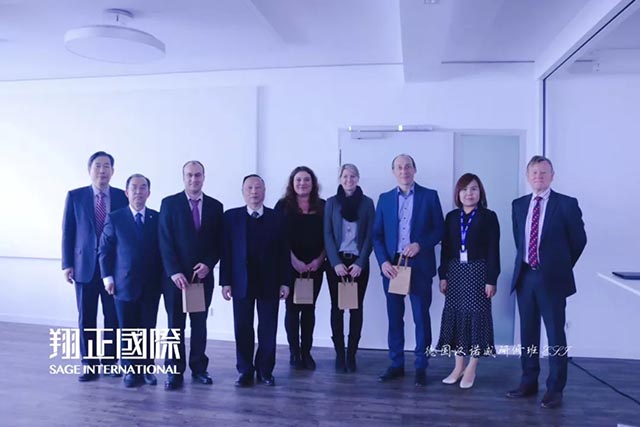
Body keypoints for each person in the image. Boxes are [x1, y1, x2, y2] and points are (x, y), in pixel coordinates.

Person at [506, 155, 586, 409]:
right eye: (534, 173)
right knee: (528, 333)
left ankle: (555, 388)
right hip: (525, 277)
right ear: (528, 177)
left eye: (543, 172)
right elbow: (519, 240)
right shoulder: (519, 205)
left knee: (555, 335)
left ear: (552, 176)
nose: (538, 177)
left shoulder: (566, 204)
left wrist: (560, 265)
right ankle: (528, 382)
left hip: (552, 279)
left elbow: (579, 240)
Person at [373, 154, 444, 387]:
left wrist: (420, 244)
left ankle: (421, 366)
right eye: (399, 167)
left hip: (419, 265)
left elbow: (439, 230)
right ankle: (396, 364)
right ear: (393, 171)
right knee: (395, 318)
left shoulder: (430, 196)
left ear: (415, 169)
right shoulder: (384, 199)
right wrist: (383, 262)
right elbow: (377, 235)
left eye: (408, 166)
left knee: (421, 317)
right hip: (392, 267)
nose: (404, 170)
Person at [61, 151, 127, 381]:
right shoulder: (76, 196)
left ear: (113, 171)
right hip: (83, 266)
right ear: (89, 170)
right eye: (98, 166)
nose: (102, 170)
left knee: (112, 317)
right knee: (86, 317)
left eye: (107, 166)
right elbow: (68, 230)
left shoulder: (121, 196)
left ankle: (110, 362)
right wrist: (67, 264)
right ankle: (88, 364)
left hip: (113, 268)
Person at [158, 160, 223, 390]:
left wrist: (208, 264)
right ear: (183, 177)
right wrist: (174, 271)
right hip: (176, 280)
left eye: (198, 175)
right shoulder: (169, 204)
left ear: (203, 177)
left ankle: (199, 368)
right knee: (175, 326)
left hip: (202, 279)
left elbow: (218, 242)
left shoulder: (215, 206)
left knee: (199, 325)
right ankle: (174, 371)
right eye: (189, 175)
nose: (194, 179)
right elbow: (164, 240)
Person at [220, 175, 290, 387]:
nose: (254, 191)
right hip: (241, 281)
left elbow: (284, 252)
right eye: (249, 188)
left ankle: (265, 370)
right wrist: (225, 282)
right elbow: (226, 252)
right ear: (243, 192)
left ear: (264, 191)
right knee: (242, 327)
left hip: (270, 281)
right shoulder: (231, 217)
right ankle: (245, 370)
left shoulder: (277, 217)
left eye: (258, 187)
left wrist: (285, 282)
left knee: (268, 328)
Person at [436, 173, 500, 389]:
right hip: (455, 272)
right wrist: (443, 275)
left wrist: (491, 279)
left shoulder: (488, 217)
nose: (469, 193)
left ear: (480, 192)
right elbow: (445, 249)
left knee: (476, 320)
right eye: (464, 189)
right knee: (457, 318)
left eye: (473, 189)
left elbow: (493, 250)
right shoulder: (451, 217)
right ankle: (458, 366)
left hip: (478, 272)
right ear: (458, 193)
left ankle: (472, 367)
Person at [99, 174, 162, 387]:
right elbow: (105, 250)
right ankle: (130, 370)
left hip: (151, 285)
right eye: (134, 188)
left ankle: (147, 368)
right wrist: (107, 278)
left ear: (149, 193)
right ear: (126, 193)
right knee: (128, 330)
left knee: (148, 328)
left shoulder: (157, 218)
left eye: (143, 188)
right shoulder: (115, 218)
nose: (138, 192)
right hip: (122, 284)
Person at [324, 164, 375, 372]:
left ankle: (351, 354)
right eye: (345, 176)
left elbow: (371, 235)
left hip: (358, 264)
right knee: (337, 308)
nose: (348, 180)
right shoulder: (331, 203)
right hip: (336, 264)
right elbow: (327, 234)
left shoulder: (367, 203)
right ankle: (339, 354)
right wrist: (335, 263)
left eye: (352, 176)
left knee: (356, 308)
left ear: (358, 178)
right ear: (340, 178)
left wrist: (360, 263)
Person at [275, 166, 326, 370]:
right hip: (290, 266)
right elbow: (277, 237)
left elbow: (329, 236)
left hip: (315, 267)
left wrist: (320, 259)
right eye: (298, 180)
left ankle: (306, 352)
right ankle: (294, 353)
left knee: (309, 309)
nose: (302, 183)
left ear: (313, 183)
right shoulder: (282, 206)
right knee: (292, 309)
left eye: (306, 180)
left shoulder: (323, 206)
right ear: (292, 183)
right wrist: (293, 260)